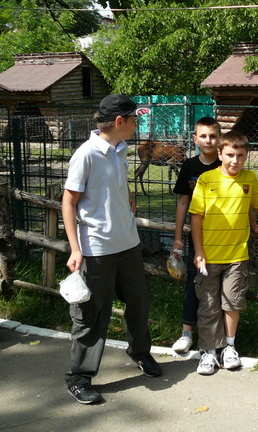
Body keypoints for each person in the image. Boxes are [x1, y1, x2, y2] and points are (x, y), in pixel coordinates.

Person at [62, 94, 162, 405]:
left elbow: (113, 184)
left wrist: (126, 194)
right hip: (96, 250)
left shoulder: (121, 148)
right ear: (119, 122)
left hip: (128, 244)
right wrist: (75, 249)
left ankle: (140, 353)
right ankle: (79, 377)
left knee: (139, 303)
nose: (137, 124)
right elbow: (69, 201)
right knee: (92, 314)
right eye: (134, 119)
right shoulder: (86, 155)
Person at [190, 129, 258, 375]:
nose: (235, 161)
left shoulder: (249, 178)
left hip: (237, 255)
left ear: (246, 156)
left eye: (240, 156)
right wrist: (198, 250)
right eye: (230, 154)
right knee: (208, 305)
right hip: (209, 256)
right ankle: (209, 351)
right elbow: (196, 217)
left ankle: (229, 347)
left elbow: (257, 204)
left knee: (232, 302)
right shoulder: (206, 179)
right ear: (219, 154)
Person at [170, 116, 221, 354]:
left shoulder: (227, 164)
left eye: (212, 136)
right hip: (197, 238)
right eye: (203, 136)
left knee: (221, 287)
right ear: (195, 139)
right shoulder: (189, 166)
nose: (208, 140)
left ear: (219, 138)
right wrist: (179, 237)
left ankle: (218, 338)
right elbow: (182, 202)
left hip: (224, 236)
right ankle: (187, 333)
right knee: (193, 283)